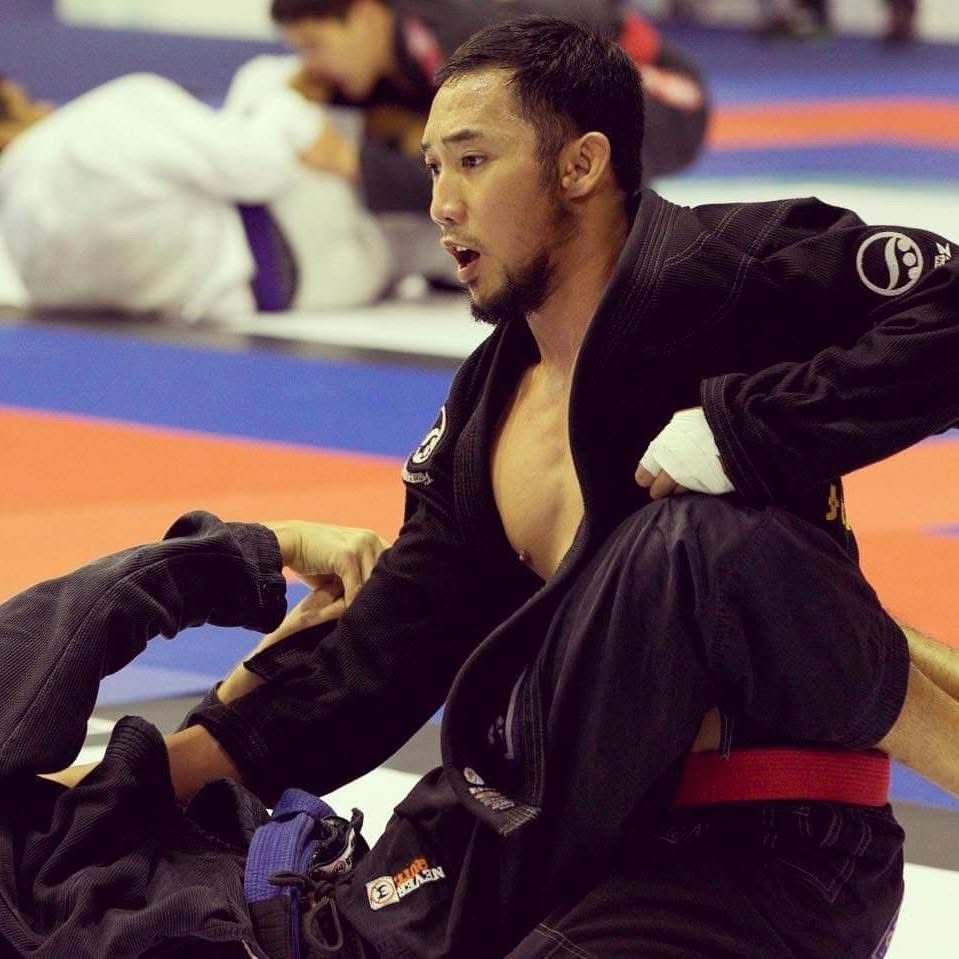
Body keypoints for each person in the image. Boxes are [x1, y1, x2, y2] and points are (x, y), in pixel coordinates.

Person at [47, 15, 959, 958]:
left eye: (473, 162)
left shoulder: (729, 272)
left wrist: (749, 430)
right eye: (433, 167)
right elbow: (369, 670)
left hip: (778, 845)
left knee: (691, 543)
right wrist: (122, 783)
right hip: (583, 844)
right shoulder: (486, 415)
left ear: (580, 165)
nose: (441, 203)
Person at [240, 0, 709, 220]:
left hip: (663, 96)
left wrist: (355, 165)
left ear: (363, 14)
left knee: (526, 170)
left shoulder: (461, 31)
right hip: (577, 86)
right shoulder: (391, 55)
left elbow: (487, 167)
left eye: (316, 45)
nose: (311, 63)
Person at [0, 72, 392, 322]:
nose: (46, 105)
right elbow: (257, 168)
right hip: (305, 234)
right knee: (264, 80)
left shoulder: (16, 245)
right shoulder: (107, 114)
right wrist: (287, 108)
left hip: (286, 299)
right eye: (27, 100)